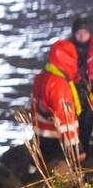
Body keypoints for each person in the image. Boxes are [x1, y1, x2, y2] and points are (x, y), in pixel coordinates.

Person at [32, 40, 85, 168]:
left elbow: (34, 108)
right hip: (57, 141)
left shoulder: (41, 77)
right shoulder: (59, 84)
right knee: (66, 180)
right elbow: (65, 118)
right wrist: (75, 147)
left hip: (41, 136)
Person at [48, 15, 93, 150]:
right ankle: (78, 147)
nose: (81, 35)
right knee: (78, 119)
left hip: (89, 88)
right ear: (74, 34)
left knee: (88, 118)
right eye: (79, 32)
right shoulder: (65, 49)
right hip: (73, 89)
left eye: (85, 32)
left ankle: (83, 146)